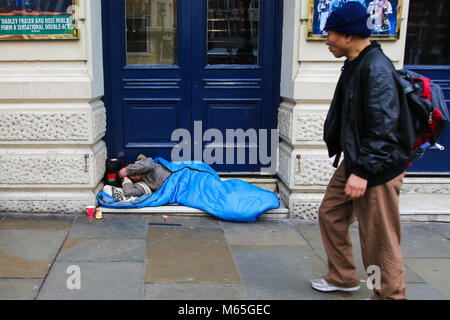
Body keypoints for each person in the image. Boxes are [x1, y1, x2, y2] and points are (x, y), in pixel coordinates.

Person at [310, 2, 414, 300]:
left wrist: (363, 172)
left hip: (376, 168)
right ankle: (342, 277)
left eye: (329, 33)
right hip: (358, 160)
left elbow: (384, 129)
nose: (326, 39)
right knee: (331, 213)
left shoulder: (376, 69)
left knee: (379, 240)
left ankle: (389, 295)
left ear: (348, 35)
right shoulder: (357, 63)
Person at [103, 155, 172, 201]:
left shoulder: (149, 167)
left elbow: (149, 164)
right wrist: (126, 180)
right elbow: (129, 192)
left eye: (135, 172)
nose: (135, 175)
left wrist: (128, 170)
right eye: (131, 176)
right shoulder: (143, 187)